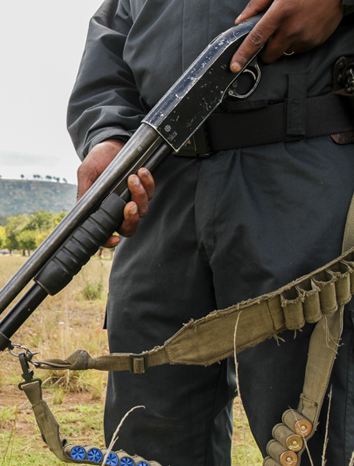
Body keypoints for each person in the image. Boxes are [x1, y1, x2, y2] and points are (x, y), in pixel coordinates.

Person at [67, 2, 354, 465]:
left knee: (310, 434)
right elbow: (113, 38)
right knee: (148, 425)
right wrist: (107, 136)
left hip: (303, 164)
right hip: (158, 180)